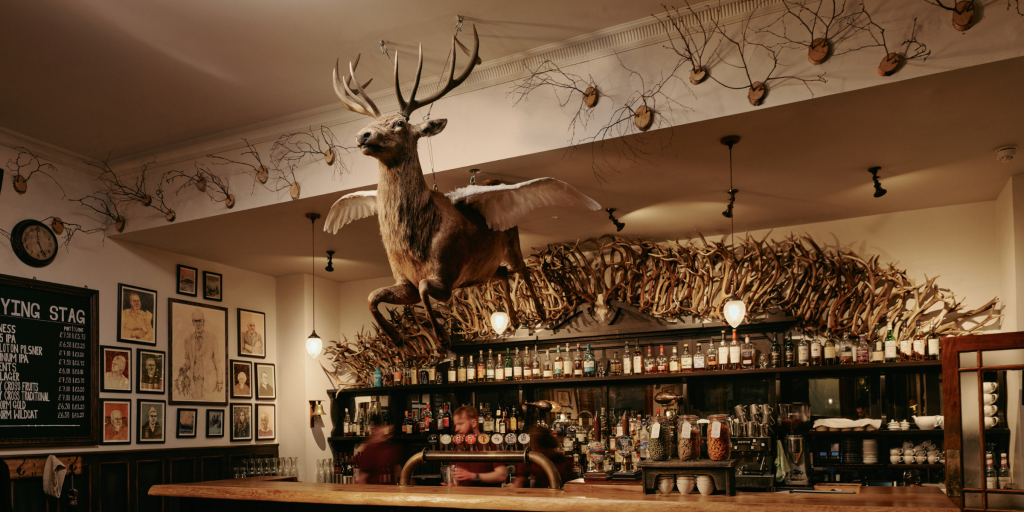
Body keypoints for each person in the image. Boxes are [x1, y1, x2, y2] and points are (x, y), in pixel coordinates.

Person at [450, 405, 507, 486]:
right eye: (455, 425)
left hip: (487, 494)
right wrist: (452, 484)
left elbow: (502, 475)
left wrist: (474, 476)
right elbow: (455, 477)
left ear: (473, 423)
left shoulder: (491, 445)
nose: (456, 429)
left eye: (460, 424)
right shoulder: (458, 448)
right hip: (462, 494)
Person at [175, 309, 223, 400]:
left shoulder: (212, 338)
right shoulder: (188, 340)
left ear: (203, 322)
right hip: (195, 382)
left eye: (200, 321)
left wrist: (220, 381)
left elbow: (217, 360)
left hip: (210, 381)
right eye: (195, 321)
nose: (198, 324)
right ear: (193, 323)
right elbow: (188, 360)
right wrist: (184, 367)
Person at [355, 413, 400, 484]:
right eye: (386, 426)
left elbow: (398, 473)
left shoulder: (393, 447)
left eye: (390, 426)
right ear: (377, 428)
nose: (390, 428)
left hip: (392, 490)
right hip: (375, 490)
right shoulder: (370, 449)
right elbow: (362, 479)